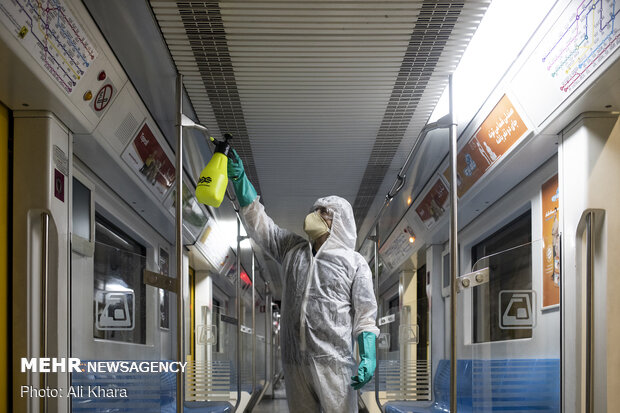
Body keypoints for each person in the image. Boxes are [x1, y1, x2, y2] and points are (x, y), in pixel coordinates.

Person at [227, 149, 379, 413]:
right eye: (315, 210)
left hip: (334, 365)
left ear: (339, 222)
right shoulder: (292, 249)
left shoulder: (354, 263)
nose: (314, 215)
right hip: (294, 363)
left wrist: (368, 354)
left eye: (323, 212)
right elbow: (262, 226)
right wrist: (241, 181)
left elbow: (365, 314)